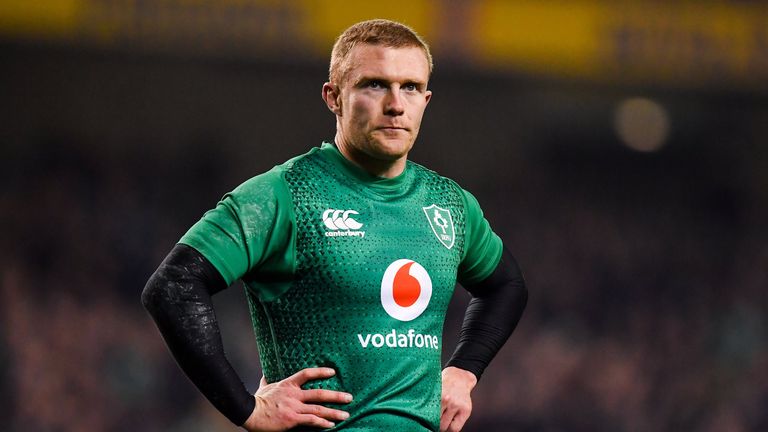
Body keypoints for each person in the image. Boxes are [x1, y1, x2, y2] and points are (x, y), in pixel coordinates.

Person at [142, 19, 527, 432]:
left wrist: (465, 370)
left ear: (426, 99)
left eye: (410, 87)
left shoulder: (449, 203)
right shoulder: (285, 195)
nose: (396, 104)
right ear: (334, 97)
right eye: (374, 85)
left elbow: (506, 287)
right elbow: (174, 286)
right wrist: (247, 409)